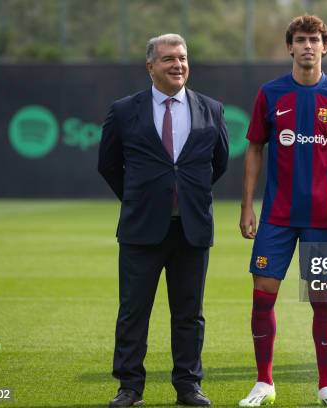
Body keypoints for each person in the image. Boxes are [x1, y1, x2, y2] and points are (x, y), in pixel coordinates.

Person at [98, 33, 229, 408]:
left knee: (189, 314)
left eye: (183, 58)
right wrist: (141, 198)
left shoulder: (211, 109)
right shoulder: (124, 110)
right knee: (133, 312)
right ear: (150, 66)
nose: (178, 65)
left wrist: (184, 195)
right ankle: (129, 387)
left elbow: (217, 164)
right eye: (169, 58)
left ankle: (188, 386)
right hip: (142, 229)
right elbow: (108, 164)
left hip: (192, 228)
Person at [238, 15, 327, 408]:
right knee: (263, 295)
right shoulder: (270, 94)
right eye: (301, 40)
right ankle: (264, 383)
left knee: (322, 298)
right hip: (276, 217)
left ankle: (326, 386)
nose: (308, 46)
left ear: (325, 47)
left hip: (323, 221)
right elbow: (254, 148)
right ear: (289, 47)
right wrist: (247, 205)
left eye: (315, 40)